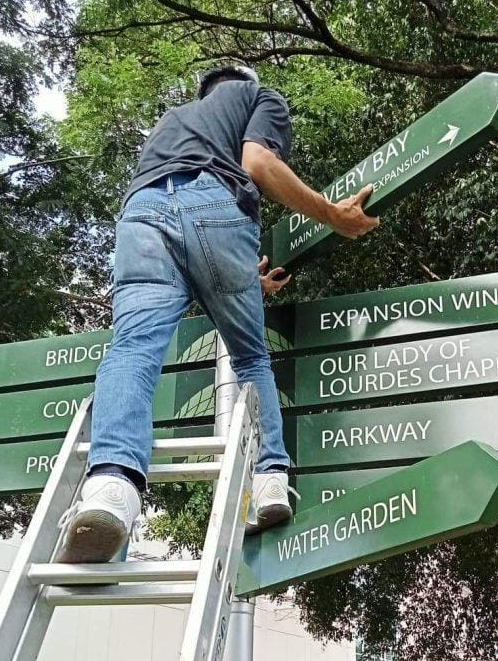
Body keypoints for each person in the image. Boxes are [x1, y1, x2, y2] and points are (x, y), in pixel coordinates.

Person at [57, 64, 379, 563]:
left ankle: (110, 489)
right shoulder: (260, 96)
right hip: (216, 203)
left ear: (204, 92)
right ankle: (269, 480)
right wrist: (332, 215)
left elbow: (178, 220)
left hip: (140, 214)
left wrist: (244, 279)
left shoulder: (172, 120)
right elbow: (257, 163)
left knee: (131, 350)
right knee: (250, 357)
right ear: (244, 83)